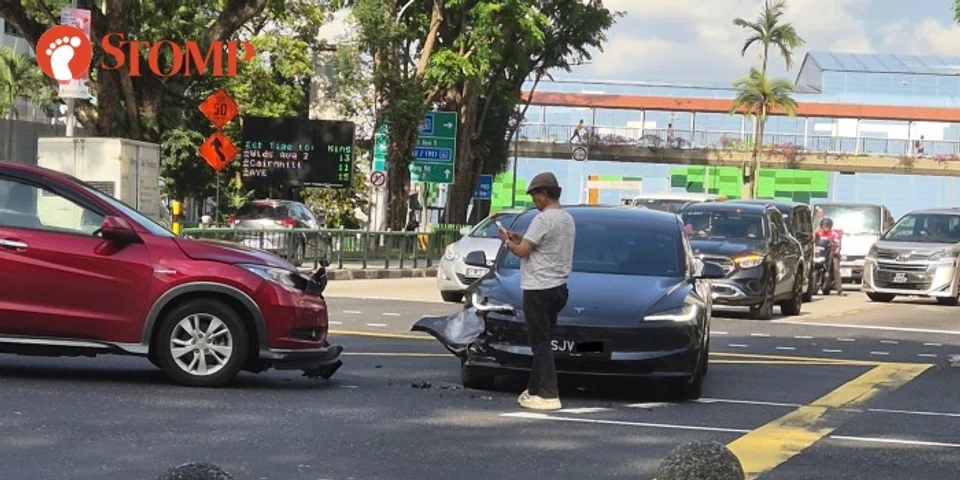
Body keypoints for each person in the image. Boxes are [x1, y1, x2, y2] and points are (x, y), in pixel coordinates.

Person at [498, 172, 576, 410]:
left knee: (539, 343)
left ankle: (549, 394)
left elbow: (522, 251)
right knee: (544, 340)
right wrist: (520, 239)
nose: (534, 200)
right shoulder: (567, 219)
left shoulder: (543, 219)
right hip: (558, 288)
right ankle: (534, 390)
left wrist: (506, 241)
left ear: (544, 193)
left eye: (535, 195)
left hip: (538, 288)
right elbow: (537, 245)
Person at [814, 217, 844, 295]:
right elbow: (813, 240)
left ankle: (839, 289)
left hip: (831, 254)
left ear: (830, 226)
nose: (825, 228)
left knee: (836, 269)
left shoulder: (834, 234)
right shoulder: (818, 233)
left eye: (826, 226)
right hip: (820, 253)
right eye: (823, 226)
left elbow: (838, 245)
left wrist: (836, 252)